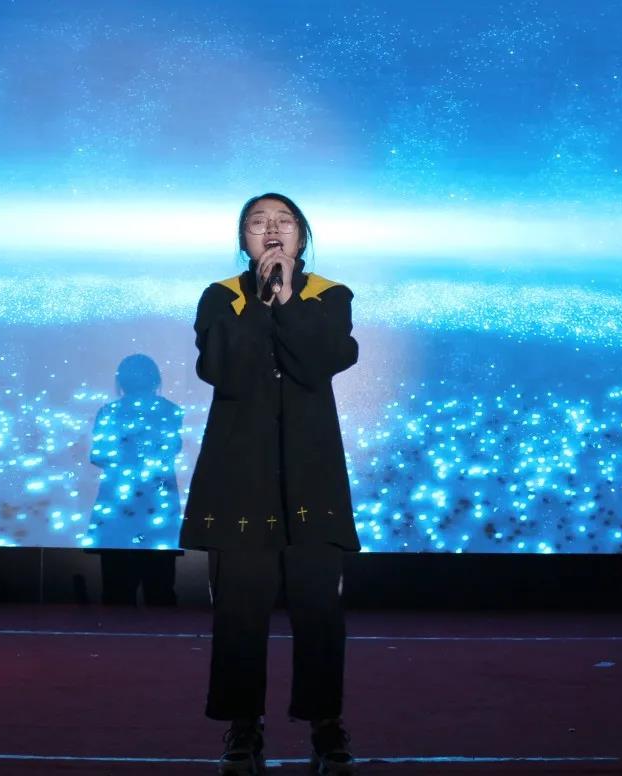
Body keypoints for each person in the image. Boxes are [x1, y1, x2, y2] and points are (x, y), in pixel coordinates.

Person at [179, 193, 360, 775]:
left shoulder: (328, 295)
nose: (272, 230)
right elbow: (222, 369)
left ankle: (325, 726)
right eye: (258, 223)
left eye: (284, 222)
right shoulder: (222, 297)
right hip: (241, 478)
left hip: (312, 477)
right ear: (244, 240)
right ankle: (242, 728)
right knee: (239, 611)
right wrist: (259, 302)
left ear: (301, 237)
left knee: (319, 611)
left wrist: (286, 298)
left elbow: (320, 361)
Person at [89, 354, 183, 605]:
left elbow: (98, 455)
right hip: (158, 501)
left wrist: (126, 457)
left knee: (117, 589)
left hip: (119, 505)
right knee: (160, 588)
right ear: (156, 379)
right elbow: (172, 448)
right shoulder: (170, 411)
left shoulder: (109, 412)